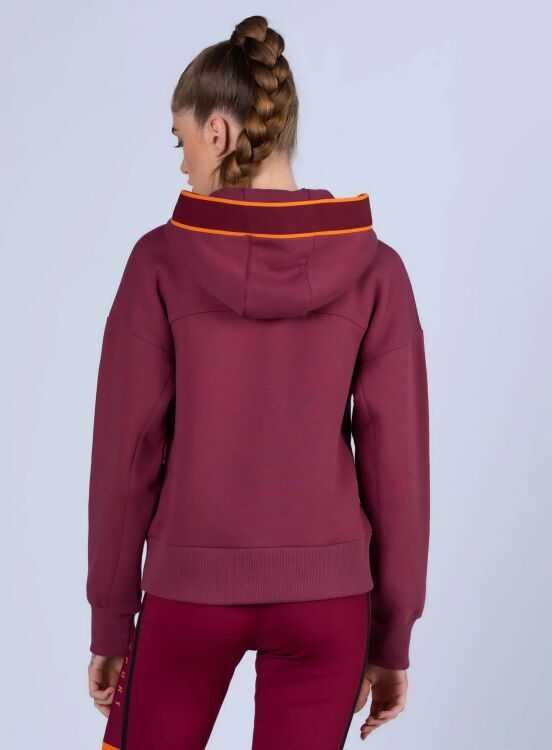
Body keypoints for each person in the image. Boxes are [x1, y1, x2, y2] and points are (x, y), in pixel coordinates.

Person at [86, 14, 430, 750]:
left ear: (217, 132)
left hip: (188, 594)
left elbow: (127, 451)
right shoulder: (377, 270)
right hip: (328, 601)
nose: (183, 166)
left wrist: (110, 622)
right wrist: (392, 635)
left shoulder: (159, 262)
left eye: (180, 143)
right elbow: (396, 466)